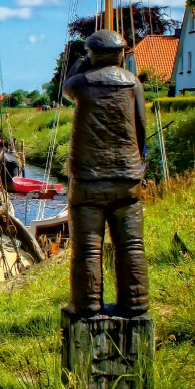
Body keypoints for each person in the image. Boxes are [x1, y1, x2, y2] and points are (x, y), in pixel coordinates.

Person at [62, 29, 148, 317]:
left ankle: (87, 304)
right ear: (122, 54)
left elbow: (65, 87)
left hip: (88, 179)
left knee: (87, 250)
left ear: (92, 54)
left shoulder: (81, 84)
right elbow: (141, 128)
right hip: (127, 178)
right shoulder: (133, 83)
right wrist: (139, 164)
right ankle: (135, 302)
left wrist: (83, 63)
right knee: (132, 246)